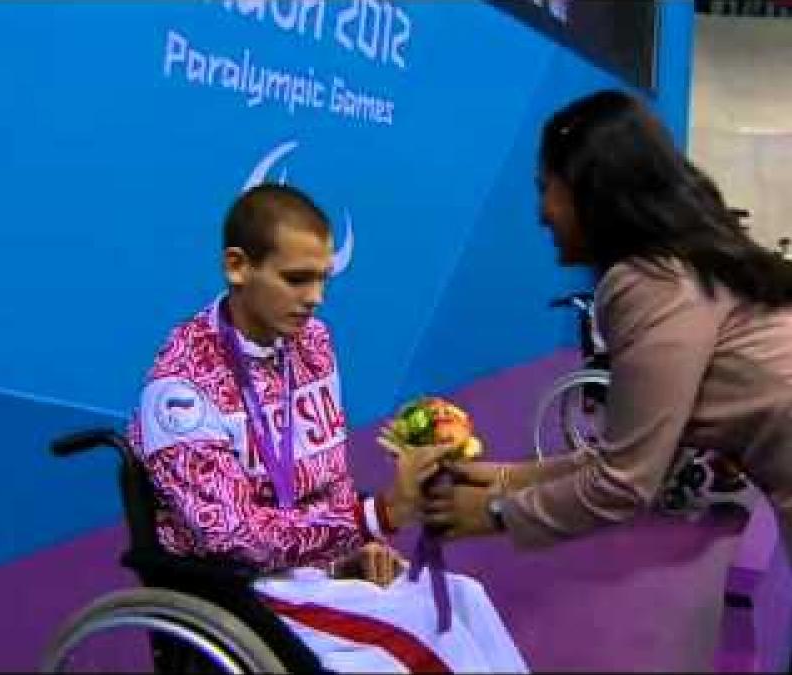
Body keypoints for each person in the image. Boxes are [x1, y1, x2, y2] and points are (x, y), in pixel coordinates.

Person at [416, 90, 792, 672]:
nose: (541, 211)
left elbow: (623, 486)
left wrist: (491, 513)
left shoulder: (646, 279)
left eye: (545, 188)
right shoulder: (697, 263)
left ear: (590, 188)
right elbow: (633, 457)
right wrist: (503, 476)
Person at [129, 183, 528, 673]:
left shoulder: (313, 342)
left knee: (464, 600)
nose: (315, 298)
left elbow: (329, 473)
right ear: (237, 267)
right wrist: (374, 515)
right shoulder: (182, 388)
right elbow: (233, 537)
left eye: (322, 279)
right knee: (427, 637)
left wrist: (362, 544)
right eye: (296, 279)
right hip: (248, 587)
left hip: (319, 567)